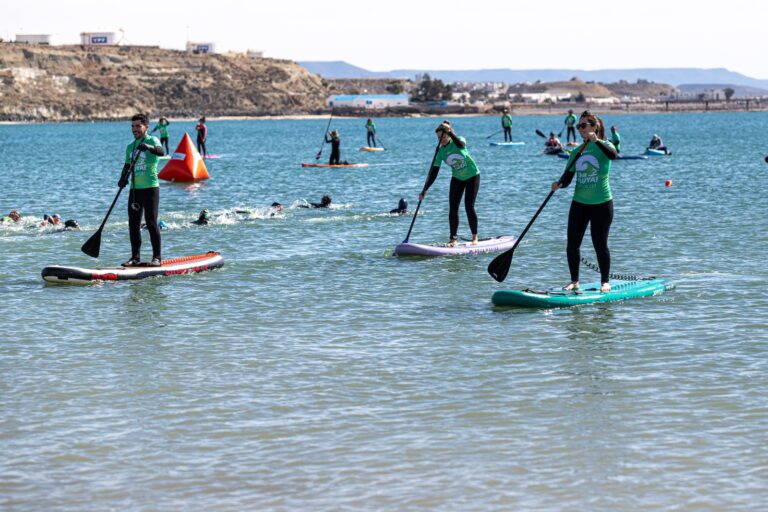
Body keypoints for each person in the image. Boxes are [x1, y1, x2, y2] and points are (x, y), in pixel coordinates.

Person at [551, 110, 618, 293]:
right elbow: (568, 179)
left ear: (594, 127)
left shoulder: (605, 146)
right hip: (579, 204)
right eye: (579, 126)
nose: (580, 129)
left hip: (602, 203)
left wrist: (596, 141)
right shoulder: (576, 152)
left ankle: (605, 281)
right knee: (572, 244)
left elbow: (614, 155)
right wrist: (559, 184)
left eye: (583, 125)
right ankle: (574, 281)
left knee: (600, 243)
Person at [419, 121, 480, 246]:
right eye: (438, 138)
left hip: (472, 176)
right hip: (457, 178)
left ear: (448, 134)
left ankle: (475, 237)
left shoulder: (459, 140)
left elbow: (461, 145)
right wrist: (424, 190)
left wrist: (451, 132)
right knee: (453, 208)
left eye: (442, 136)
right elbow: (434, 173)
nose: (441, 140)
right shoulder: (440, 152)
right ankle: (453, 239)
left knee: (469, 206)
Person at [118, 113, 164, 266]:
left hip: (150, 188)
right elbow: (127, 165)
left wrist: (148, 147)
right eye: (132, 126)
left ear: (146, 127)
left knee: (151, 222)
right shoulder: (130, 146)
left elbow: (160, 151)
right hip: (135, 190)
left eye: (138, 126)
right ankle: (135, 258)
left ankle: (157, 258)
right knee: (133, 224)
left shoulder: (152, 139)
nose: (134, 129)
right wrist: (122, 178)